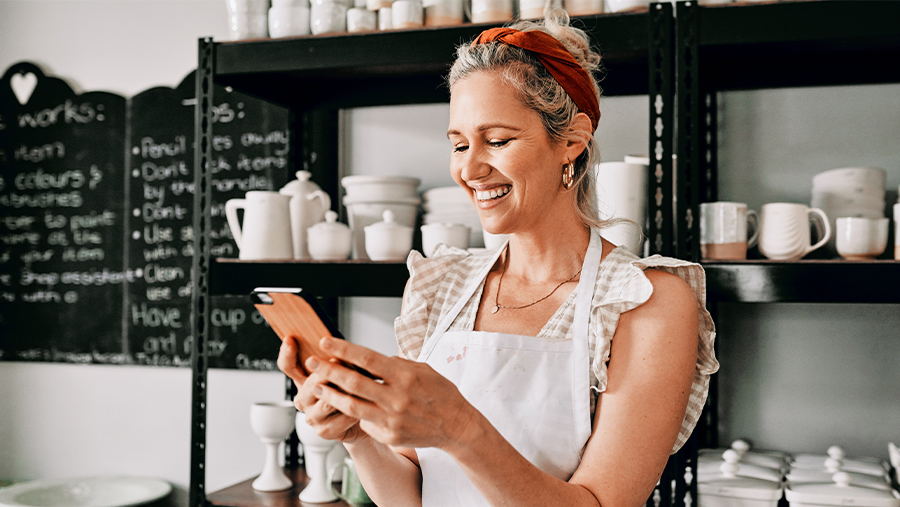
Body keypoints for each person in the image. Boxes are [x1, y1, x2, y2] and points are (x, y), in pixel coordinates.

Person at [278, 11, 718, 507]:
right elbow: (412, 494)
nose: (468, 168)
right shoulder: (439, 286)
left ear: (572, 141)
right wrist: (357, 432)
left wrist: (460, 428)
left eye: (498, 140)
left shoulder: (646, 303)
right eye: (460, 144)